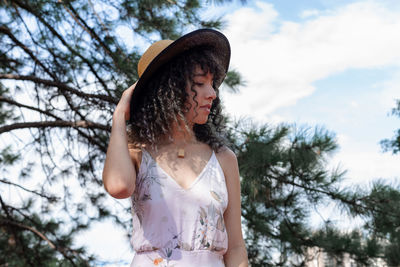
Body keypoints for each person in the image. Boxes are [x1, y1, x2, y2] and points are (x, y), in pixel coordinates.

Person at [102, 29, 248, 267]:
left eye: (212, 85)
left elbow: (236, 248)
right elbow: (118, 186)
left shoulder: (223, 158)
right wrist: (119, 115)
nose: (212, 94)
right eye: (200, 84)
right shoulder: (137, 151)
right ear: (169, 90)